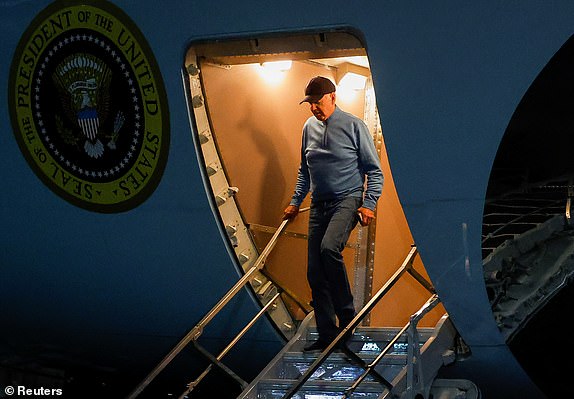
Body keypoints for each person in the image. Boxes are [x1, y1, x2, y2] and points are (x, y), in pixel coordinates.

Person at [283, 76, 384, 351]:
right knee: (315, 271)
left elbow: (374, 171)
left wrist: (369, 203)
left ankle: (348, 320)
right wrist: (294, 202)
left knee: (329, 249)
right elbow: (305, 171)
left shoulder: (354, 125)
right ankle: (328, 334)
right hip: (319, 204)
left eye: (318, 101)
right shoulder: (308, 127)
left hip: (347, 199)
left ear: (332, 97)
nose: (314, 107)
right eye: (310, 103)